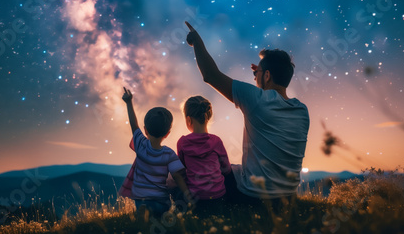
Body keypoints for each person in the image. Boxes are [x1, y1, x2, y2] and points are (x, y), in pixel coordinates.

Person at [184, 21, 310, 210]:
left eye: (257, 72)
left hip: (253, 196)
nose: (254, 75)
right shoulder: (302, 110)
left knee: (205, 170)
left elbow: (210, 75)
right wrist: (261, 76)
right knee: (233, 168)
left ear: (267, 76)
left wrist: (197, 41)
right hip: (288, 197)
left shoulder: (256, 99)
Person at [121, 87, 192, 216]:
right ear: (167, 134)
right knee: (162, 212)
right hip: (160, 200)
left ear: (145, 130)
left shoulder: (140, 144)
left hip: (140, 198)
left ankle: (144, 212)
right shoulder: (168, 154)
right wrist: (188, 195)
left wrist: (129, 102)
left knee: (144, 213)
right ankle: (155, 212)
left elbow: (133, 124)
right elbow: (177, 176)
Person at [177, 95, 231, 215]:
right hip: (218, 196)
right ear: (208, 117)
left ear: (189, 120)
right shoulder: (216, 141)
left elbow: (182, 168)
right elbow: (226, 168)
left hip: (196, 198)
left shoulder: (182, 143)